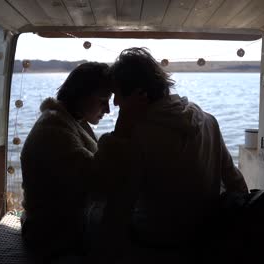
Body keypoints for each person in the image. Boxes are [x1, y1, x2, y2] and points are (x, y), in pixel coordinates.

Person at [94, 47, 248, 261]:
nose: (116, 103)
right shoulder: (208, 120)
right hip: (207, 231)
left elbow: (119, 205)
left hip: (158, 239)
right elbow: (234, 180)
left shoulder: (136, 136)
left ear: (138, 94)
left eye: (118, 95)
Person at [19, 62, 111, 261]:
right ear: (81, 95)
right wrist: (125, 130)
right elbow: (99, 183)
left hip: (57, 225)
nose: (108, 110)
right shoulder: (53, 130)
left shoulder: (69, 120)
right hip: (49, 235)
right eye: (103, 100)